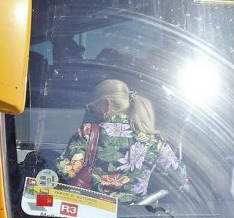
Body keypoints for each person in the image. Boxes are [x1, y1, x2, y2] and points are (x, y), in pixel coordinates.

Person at [55, 78, 185, 202]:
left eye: (92, 108)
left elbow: (63, 173)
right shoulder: (155, 142)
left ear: (106, 105)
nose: (91, 113)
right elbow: (180, 179)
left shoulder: (88, 133)